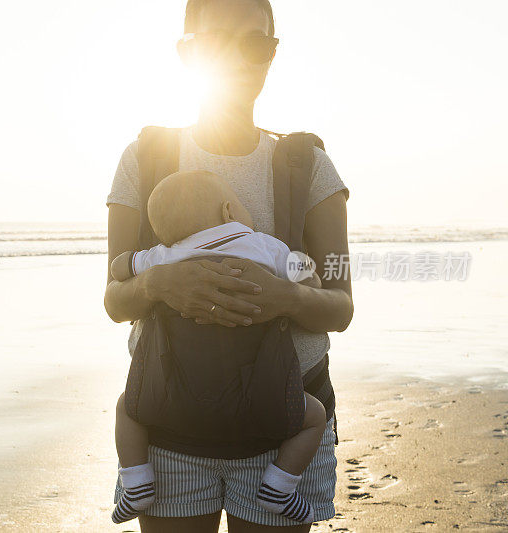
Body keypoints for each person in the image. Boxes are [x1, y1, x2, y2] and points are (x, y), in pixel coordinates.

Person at [104, 0, 353, 531]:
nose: (238, 58)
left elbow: (341, 303)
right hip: (170, 429)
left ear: (272, 53)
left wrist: (285, 298)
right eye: (217, 41)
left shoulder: (306, 165)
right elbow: (114, 297)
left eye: (255, 43)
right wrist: (161, 283)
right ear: (187, 53)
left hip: (283, 424)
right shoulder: (147, 158)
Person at [109, 169, 328, 525]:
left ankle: (137, 484)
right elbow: (308, 277)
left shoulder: (163, 256)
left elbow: (120, 269)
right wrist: (308, 269)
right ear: (229, 211)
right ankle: (280, 485)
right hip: (262, 394)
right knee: (314, 416)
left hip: (175, 401)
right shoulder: (265, 245)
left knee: (127, 408)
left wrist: (135, 260)